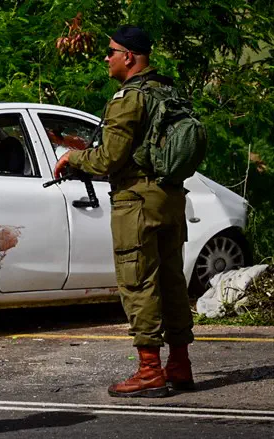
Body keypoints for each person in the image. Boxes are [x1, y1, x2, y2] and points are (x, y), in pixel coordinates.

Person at [54, 25, 194, 398]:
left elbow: (109, 158)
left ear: (129, 57)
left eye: (111, 51)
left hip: (136, 202)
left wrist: (73, 157)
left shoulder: (128, 98)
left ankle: (150, 370)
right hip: (170, 197)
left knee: (138, 282)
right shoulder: (168, 90)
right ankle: (179, 364)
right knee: (171, 282)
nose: (106, 57)